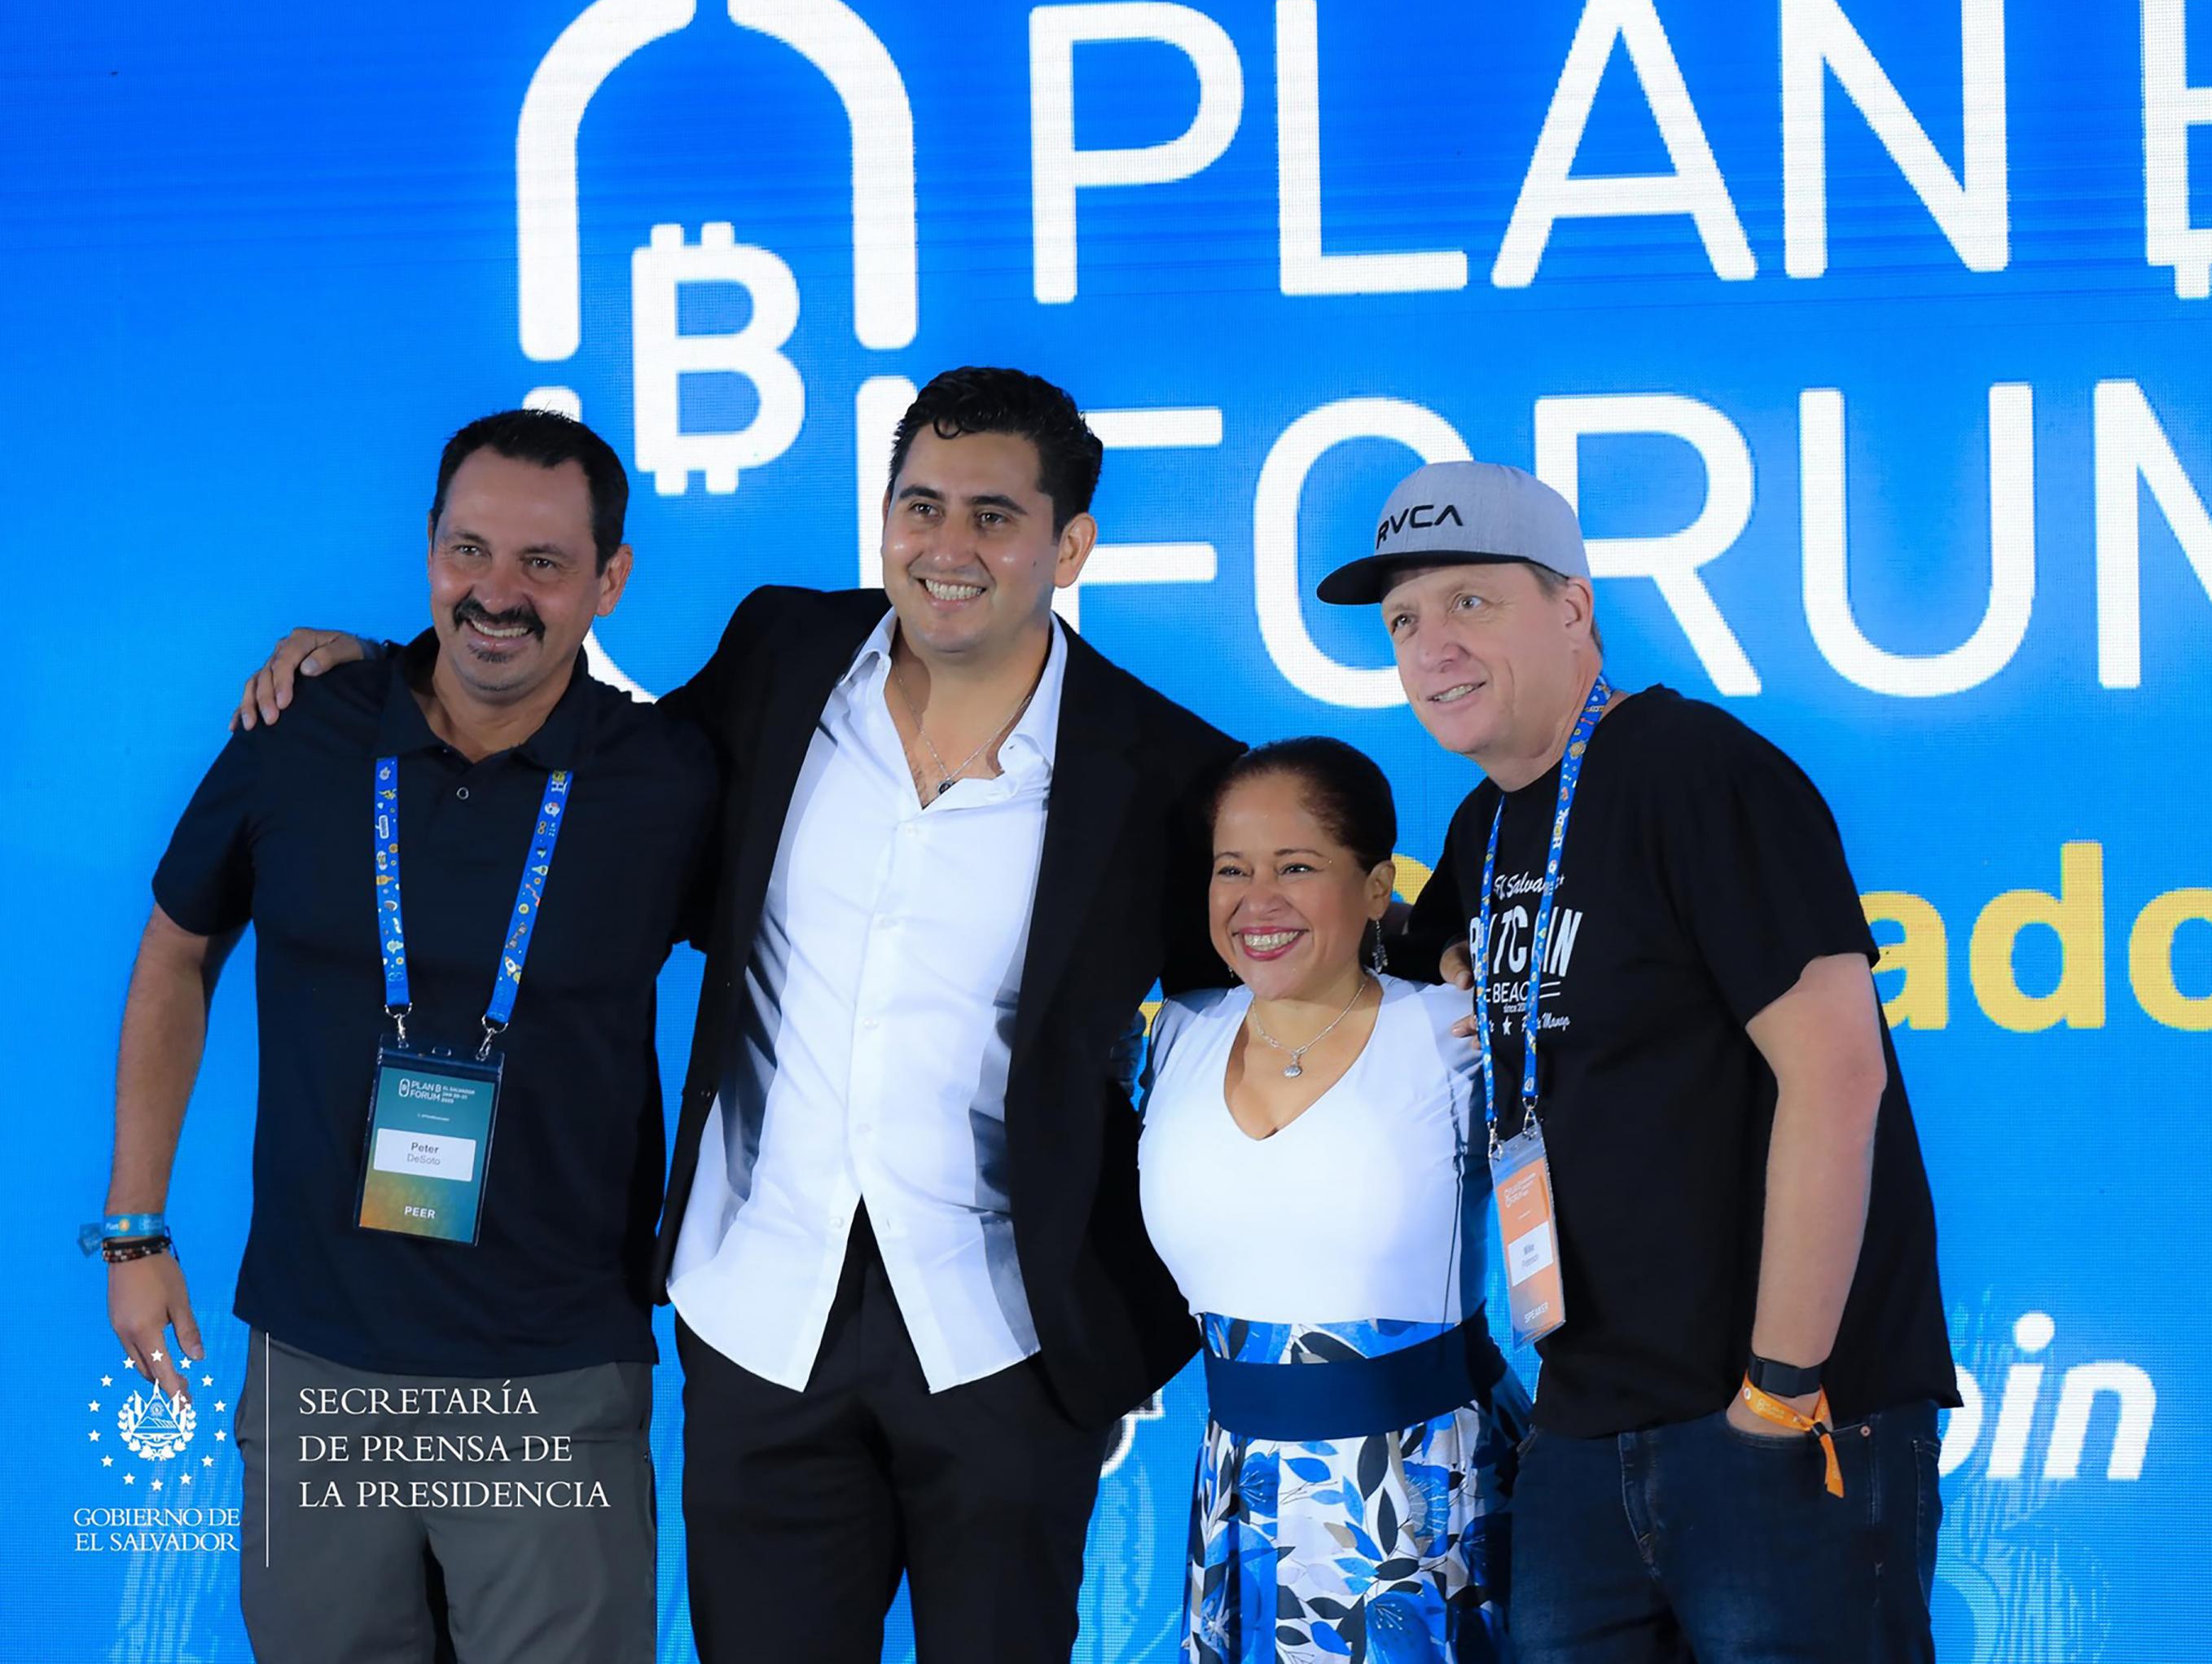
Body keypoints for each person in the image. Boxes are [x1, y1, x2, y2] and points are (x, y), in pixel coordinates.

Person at [239, 367, 1244, 1664]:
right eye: (919, 504)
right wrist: (391, 673)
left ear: (1071, 543)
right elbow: (591, 764)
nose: (947, 547)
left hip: (1004, 1334)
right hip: (761, 1309)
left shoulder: (1166, 771)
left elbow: (1281, 971)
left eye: (994, 516)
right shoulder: (785, 653)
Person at [1315, 463, 1957, 1662]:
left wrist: (1778, 1389)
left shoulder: (1696, 768)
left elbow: (1839, 1072)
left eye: (1471, 601)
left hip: (1772, 1410)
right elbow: (1411, 981)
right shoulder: (1485, 822)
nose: (1432, 643)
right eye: (1405, 620)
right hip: (1584, 1425)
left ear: (1574, 608)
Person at [103, 409, 714, 1663]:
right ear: (429, 546)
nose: (497, 593)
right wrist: (135, 1223)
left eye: (544, 563)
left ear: (612, 579)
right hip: (320, 1358)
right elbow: (176, 949)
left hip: (549, 1375)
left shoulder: (673, 777)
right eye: (467, 549)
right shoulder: (305, 732)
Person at [1140, 738, 1525, 1664]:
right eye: (1232, 868)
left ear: (1376, 884)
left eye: (1297, 867)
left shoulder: (1454, 1033)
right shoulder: (1177, 1035)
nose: (1256, 899)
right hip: (1236, 1489)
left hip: (1426, 1492)